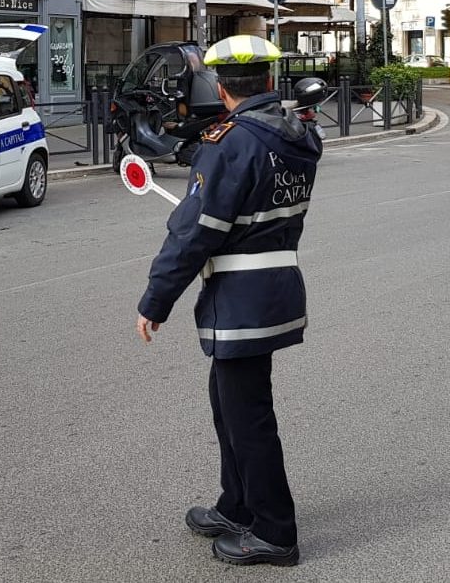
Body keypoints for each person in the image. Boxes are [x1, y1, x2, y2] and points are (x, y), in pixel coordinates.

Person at [134, 34, 323, 566]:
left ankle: (275, 532)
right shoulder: (300, 134)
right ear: (268, 80)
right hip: (275, 286)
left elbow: (196, 232)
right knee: (229, 405)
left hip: (239, 296)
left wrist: (156, 299)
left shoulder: (232, 143)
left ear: (219, 86)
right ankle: (236, 504)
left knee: (248, 417)